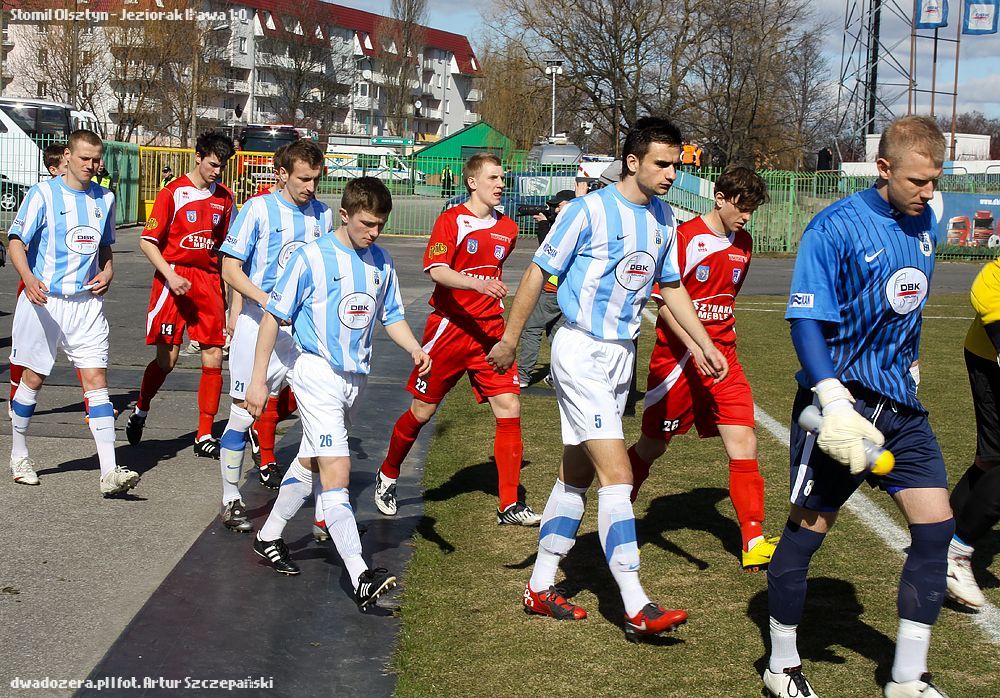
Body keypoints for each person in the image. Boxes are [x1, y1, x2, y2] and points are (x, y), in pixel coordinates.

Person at [487, 117, 728, 640]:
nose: (671, 174)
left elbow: (671, 287)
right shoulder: (587, 210)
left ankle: (539, 586)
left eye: (675, 164)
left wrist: (702, 343)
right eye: (662, 164)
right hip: (580, 350)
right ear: (632, 162)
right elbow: (538, 272)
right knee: (617, 476)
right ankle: (636, 604)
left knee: (575, 473)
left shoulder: (664, 218)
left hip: (621, 356)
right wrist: (510, 338)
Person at [761, 115, 951, 698]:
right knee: (807, 532)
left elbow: (906, 308)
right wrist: (832, 399)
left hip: (901, 406)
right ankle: (780, 666)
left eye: (936, 179)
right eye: (917, 180)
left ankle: (906, 679)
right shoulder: (834, 227)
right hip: (840, 405)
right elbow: (805, 320)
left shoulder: (928, 219)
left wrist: (910, 363)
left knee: (936, 531)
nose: (928, 192)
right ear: (883, 168)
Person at [247, 178, 430, 611]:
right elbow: (273, 317)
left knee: (311, 460)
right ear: (344, 215)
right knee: (337, 471)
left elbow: (392, 315)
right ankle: (360, 576)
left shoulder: (382, 261)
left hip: (354, 380)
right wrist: (258, 380)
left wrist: (414, 347)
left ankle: (268, 536)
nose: (374, 232)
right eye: (367, 224)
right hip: (316, 372)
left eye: (381, 224)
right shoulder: (311, 258)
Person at [373, 153, 541, 526]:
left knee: (509, 406)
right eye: (493, 178)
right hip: (449, 329)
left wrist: (486, 294)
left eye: (502, 178)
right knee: (422, 412)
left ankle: (509, 504)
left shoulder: (508, 228)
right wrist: (476, 284)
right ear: (472, 182)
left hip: (489, 333)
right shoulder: (451, 220)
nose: (501, 184)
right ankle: (388, 473)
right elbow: (437, 270)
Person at [627, 166, 777, 572]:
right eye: (741, 207)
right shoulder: (686, 237)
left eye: (752, 210)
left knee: (744, 441)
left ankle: (753, 540)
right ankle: (617, 517)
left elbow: (726, 298)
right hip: (677, 362)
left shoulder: (744, 244)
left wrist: (713, 347)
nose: (745, 216)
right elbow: (666, 304)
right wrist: (695, 346)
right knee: (652, 445)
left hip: (724, 360)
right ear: (720, 198)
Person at [6, 129, 139, 495]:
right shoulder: (42, 194)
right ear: (67, 156)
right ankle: (19, 454)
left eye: (96, 160)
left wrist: (108, 271)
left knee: (96, 381)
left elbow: (105, 246)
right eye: (84, 158)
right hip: (45, 302)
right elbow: (16, 242)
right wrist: (28, 278)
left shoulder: (105, 198)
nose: (91, 166)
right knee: (33, 379)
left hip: (86, 304)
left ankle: (109, 472)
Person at [217, 139, 334, 532]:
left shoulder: (323, 214)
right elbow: (230, 270)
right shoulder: (257, 210)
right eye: (303, 179)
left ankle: (325, 511)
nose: (311, 187)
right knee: (242, 413)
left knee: (321, 414)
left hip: (301, 333)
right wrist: (269, 300)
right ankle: (231, 498)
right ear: (281, 174)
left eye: (316, 179)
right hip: (257, 324)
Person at [125, 132, 236, 460]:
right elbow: (147, 241)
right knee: (168, 361)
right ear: (198, 157)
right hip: (172, 276)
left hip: (207, 281)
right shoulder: (172, 192)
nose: (217, 171)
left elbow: (225, 250)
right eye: (212, 164)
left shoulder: (225, 199)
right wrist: (170, 275)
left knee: (213, 354)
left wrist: (225, 292)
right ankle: (141, 409)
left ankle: (204, 434)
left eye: (222, 166)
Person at [946, 257, 1000, 610]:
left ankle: (939, 533)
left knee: (990, 459)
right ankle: (955, 553)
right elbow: (989, 282)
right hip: (989, 355)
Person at [9, 144, 71, 413]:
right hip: (36, 282)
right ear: (54, 170)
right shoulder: (42, 195)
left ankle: (93, 404)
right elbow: (17, 238)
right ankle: (15, 395)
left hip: (73, 289)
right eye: (66, 167)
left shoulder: (88, 196)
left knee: (84, 353)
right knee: (25, 350)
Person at [516, 190, 573, 387]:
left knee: (532, 330)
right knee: (557, 335)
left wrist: (542, 225)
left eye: (559, 205)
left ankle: (523, 376)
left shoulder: (566, 226)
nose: (555, 210)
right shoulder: (578, 224)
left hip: (551, 288)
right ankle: (558, 376)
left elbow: (550, 251)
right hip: (566, 291)